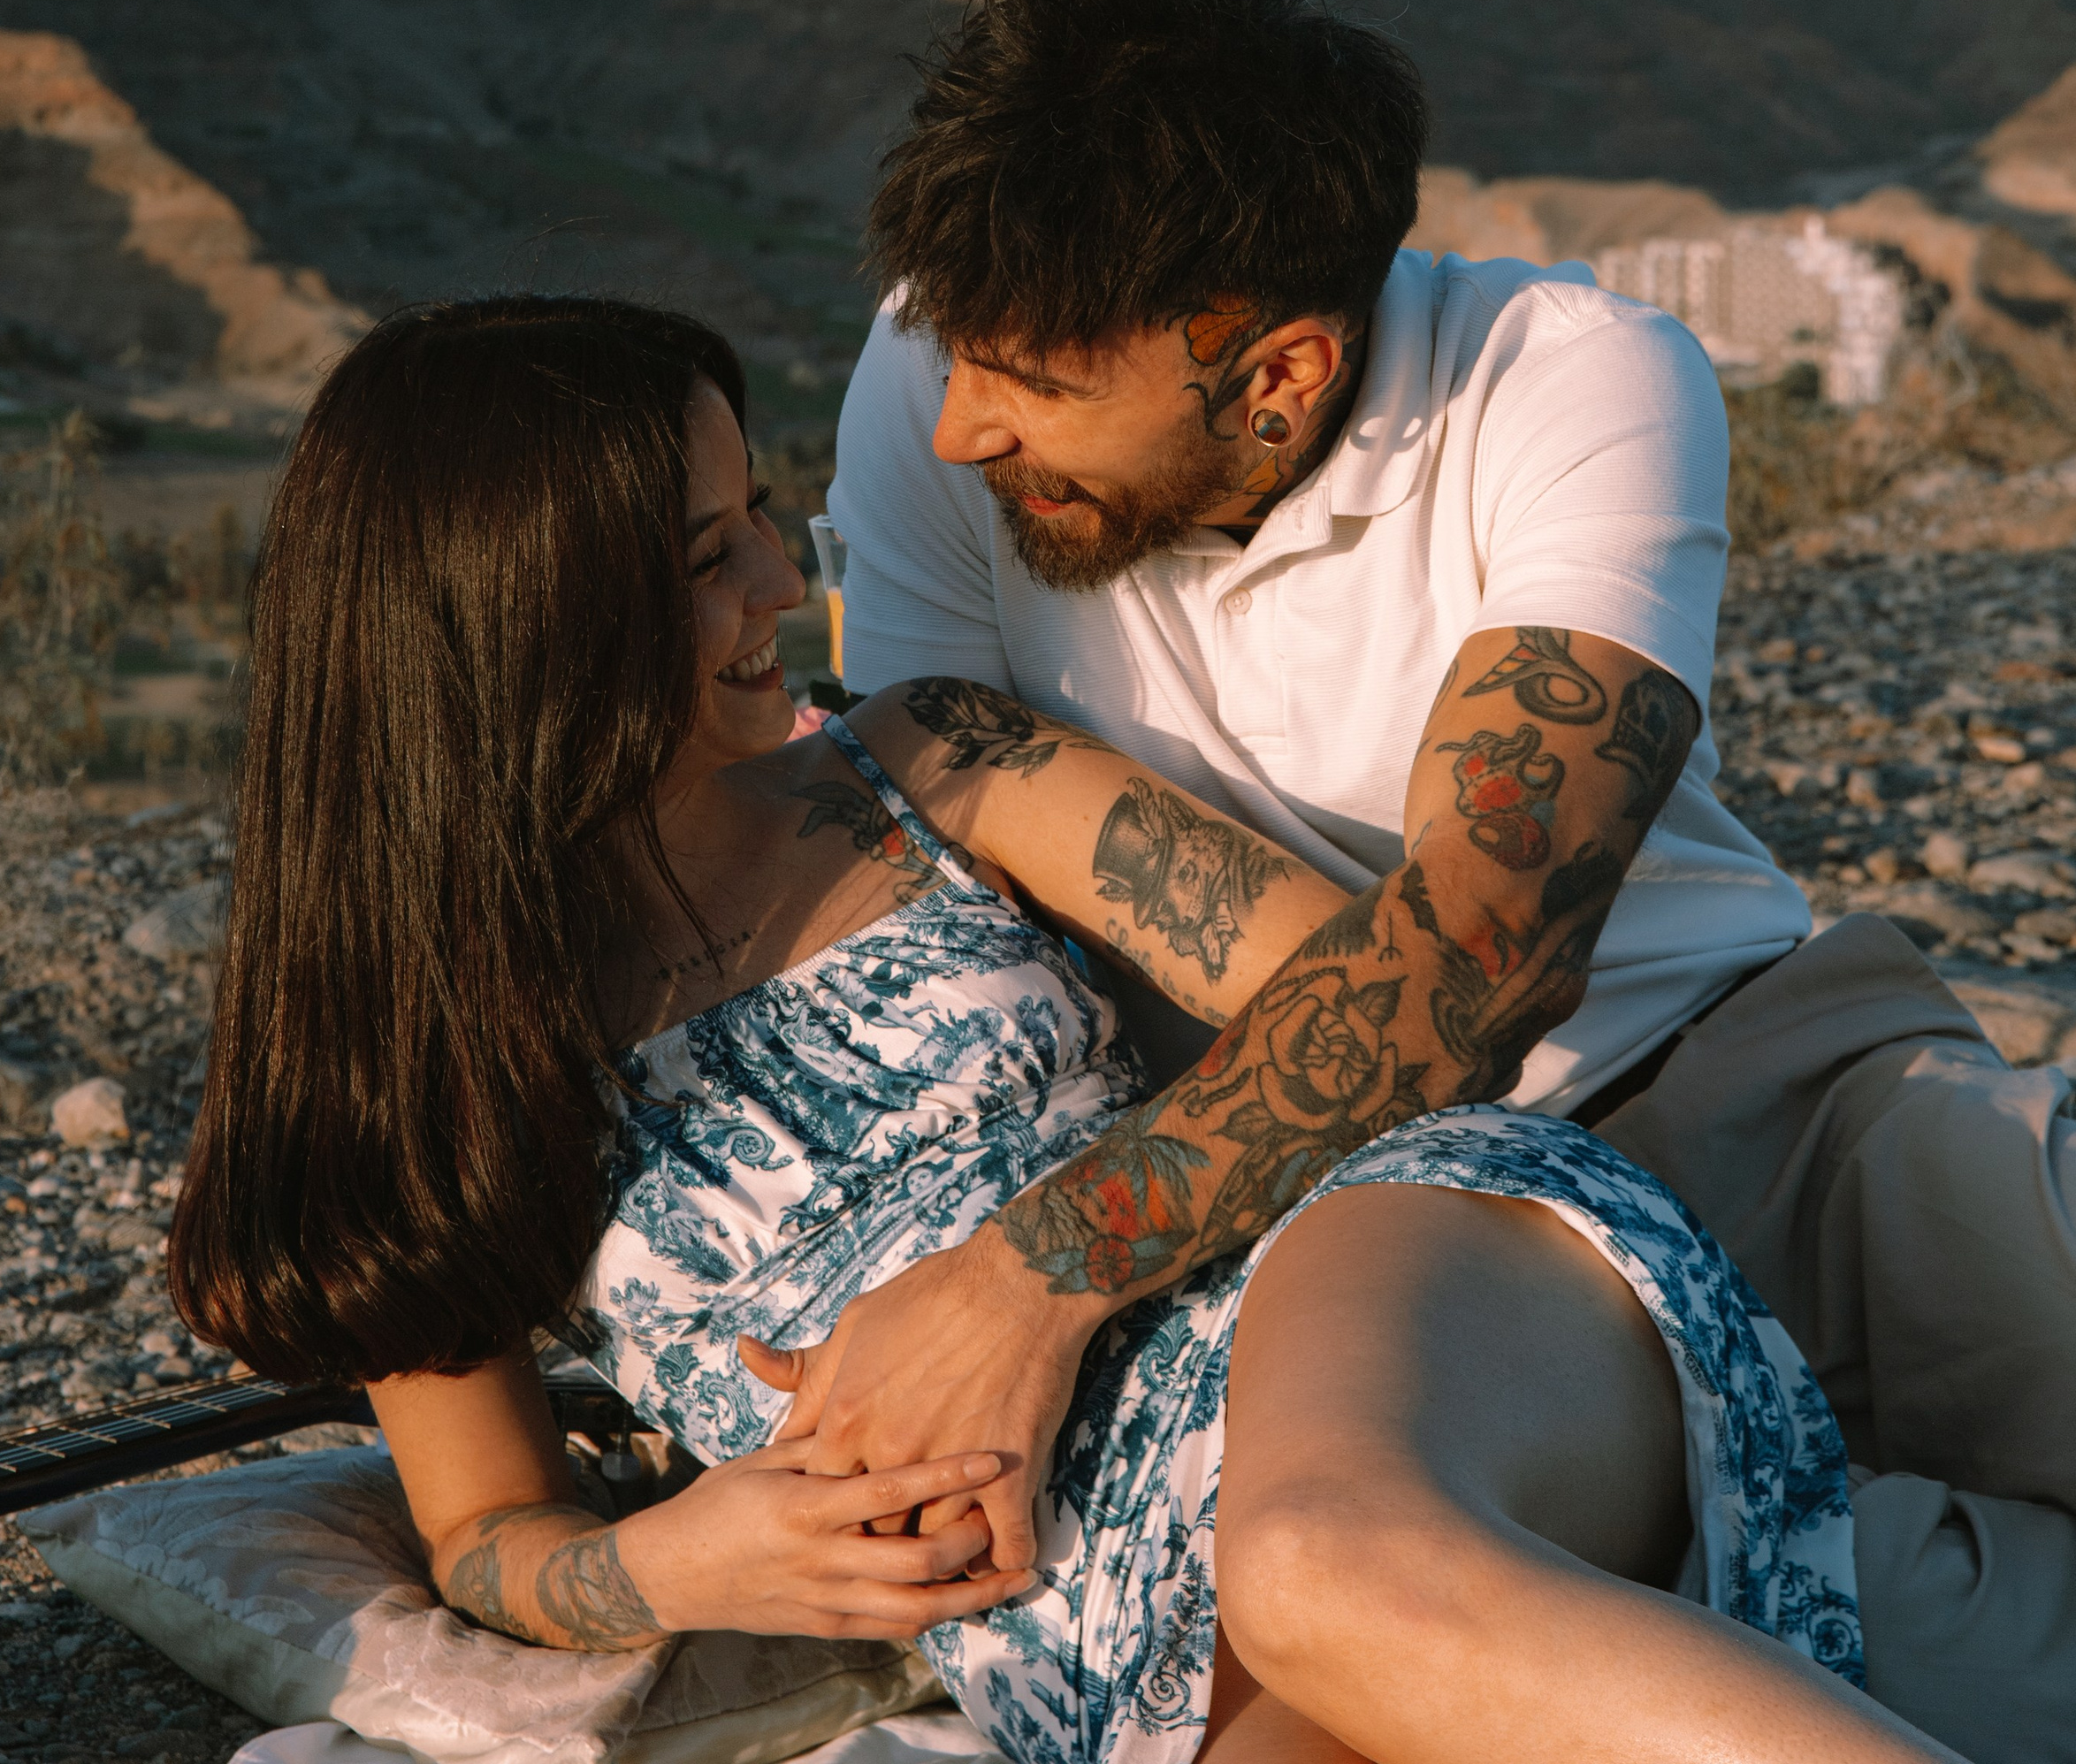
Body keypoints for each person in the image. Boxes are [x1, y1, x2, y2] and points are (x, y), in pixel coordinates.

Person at [169, 296, 1951, 1764]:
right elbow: (488, 1531)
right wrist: (670, 1559)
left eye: (763, 515)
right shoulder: (412, 1070)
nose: (781, 585)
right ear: (515, 631)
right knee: (1311, 1630)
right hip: (1100, 1646)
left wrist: (1033, 1270)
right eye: (709, 559)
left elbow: (1382, 1009)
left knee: (1325, 1557)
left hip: (1375, 1304)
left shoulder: (931, 759)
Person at [813, 0, 2076, 1763]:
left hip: (1764, 1094)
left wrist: (1029, 1276)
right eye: (959, 360)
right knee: (1750, 1621)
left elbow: (1479, 951)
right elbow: (920, 817)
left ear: (1279, 371)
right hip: (1383, 1232)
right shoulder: (934, 368)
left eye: (1034, 384)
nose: (960, 432)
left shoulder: (1567, 376)